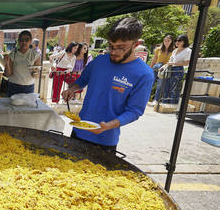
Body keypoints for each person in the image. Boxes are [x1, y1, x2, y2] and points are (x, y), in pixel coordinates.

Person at [62, 17, 154, 151]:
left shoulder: (144, 74)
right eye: (111, 46)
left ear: (136, 44)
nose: (113, 52)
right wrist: (72, 89)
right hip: (79, 131)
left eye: (121, 48)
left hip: (105, 140)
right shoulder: (99, 61)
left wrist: (109, 125)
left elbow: (135, 111)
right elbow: (82, 81)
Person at [4, 30, 41, 97]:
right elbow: (8, 74)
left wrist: (35, 71)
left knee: (27, 107)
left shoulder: (35, 55)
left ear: (30, 41)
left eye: (26, 40)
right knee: (12, 107)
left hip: (29, 88)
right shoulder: (13, 54)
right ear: (18, 41)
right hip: (13, 87)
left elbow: (36, 76)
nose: (24, 42)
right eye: (21, 40)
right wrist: (6, 64)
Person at [159, 34, 191, 105]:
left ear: (184, 41)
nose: (177, 42)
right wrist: (164, 66)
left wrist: (173, 63)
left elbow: (186, 63)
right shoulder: (175, 50)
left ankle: (172, 105)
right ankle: (165, 104)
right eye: (176, 40)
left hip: (178, 70)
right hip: (170, 70)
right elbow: (170, 61)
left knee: (175, 89)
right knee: (166, 87)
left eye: (179, 40)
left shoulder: (188, 51)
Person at [149, 35, 174, 104]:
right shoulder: (158, 49)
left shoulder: (174, 51)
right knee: (150, 82)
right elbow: (154, 59)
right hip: (157, 67)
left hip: (165, 69)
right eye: (165, 40)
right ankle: (145, 97)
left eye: (168, 41)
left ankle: (156, 100)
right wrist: (150, 68)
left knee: (160, 85)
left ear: (171, 42)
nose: (166, 42)